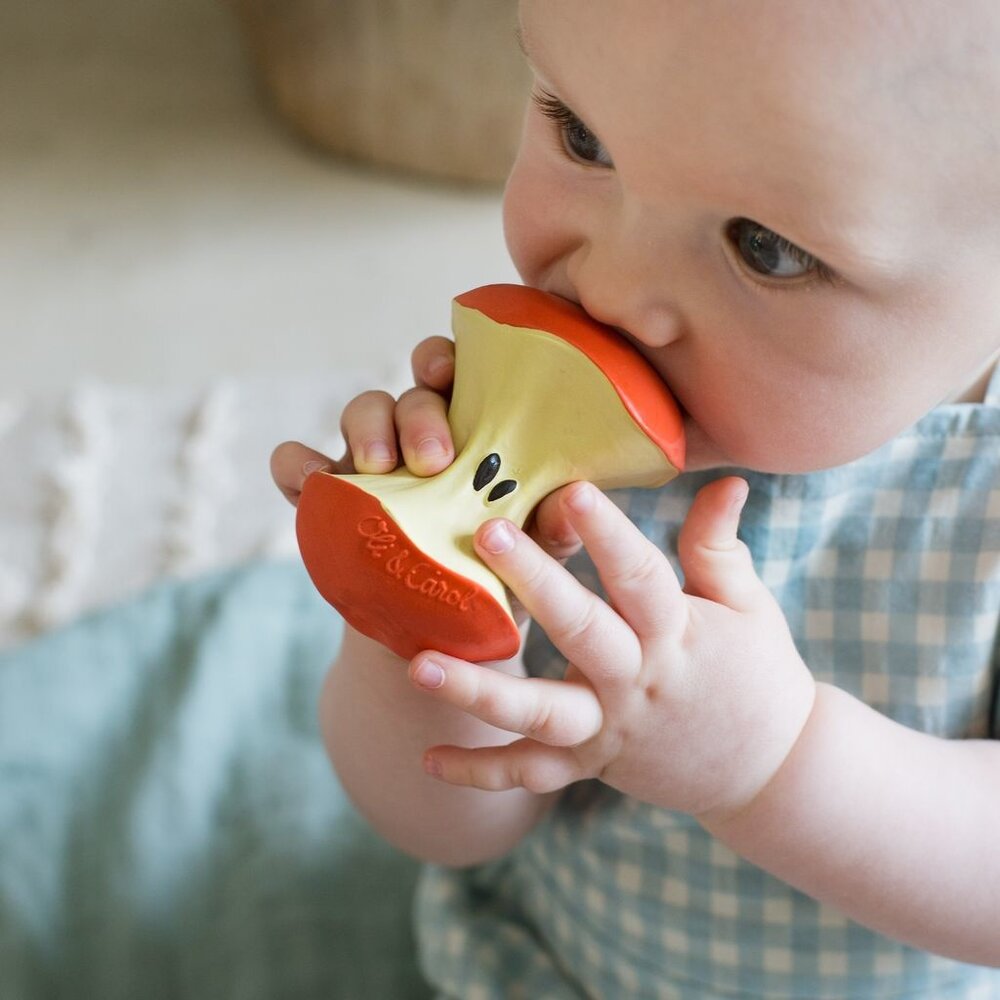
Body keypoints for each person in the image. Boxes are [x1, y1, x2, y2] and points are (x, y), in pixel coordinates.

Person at [271, 1, 1000, 995]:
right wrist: (415, 622)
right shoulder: (530, 449)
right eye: (582, 136)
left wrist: (773, 760)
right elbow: (445, 825)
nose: (609, 290)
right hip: (549, 969)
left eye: (766, 247)